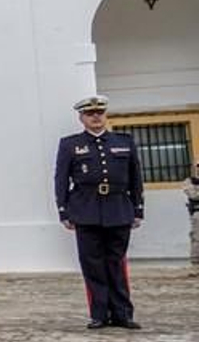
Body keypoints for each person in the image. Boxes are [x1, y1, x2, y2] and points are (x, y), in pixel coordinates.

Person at [54, 95, 143, 330]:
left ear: (105, 115)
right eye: (90, 114)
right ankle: (100, 314)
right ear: (81, 118)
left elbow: (135, 178)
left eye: (100, 113)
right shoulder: (70, 144)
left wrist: (138, 208)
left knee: (116, 263)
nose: (96, 117)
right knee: (92, 264)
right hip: (86, 209)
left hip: (118, 208)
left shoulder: (124, 141)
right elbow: (61, 179)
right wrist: (63, 210)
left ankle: (123, 313)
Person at [186, 164, 199, 271]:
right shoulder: (190, 181)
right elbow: (194, 195)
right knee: (197, 237)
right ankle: (196, 264)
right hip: (197, 213)